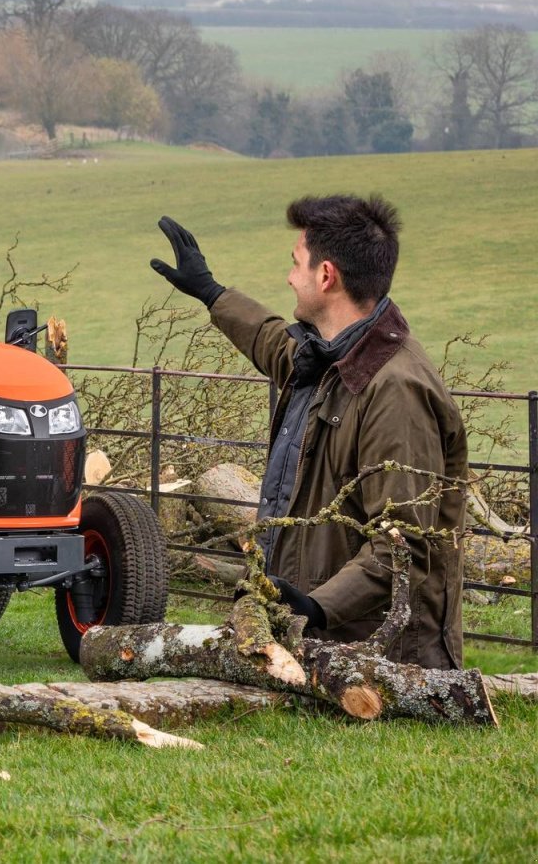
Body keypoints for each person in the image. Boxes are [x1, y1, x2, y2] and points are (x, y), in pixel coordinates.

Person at [150, 196, 467, 669]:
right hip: (319, 644)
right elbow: (272, 341)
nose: (290, 277)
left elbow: (404, 546)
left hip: (382, 660)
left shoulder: (395, 392)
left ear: (326, 276)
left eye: (296, 264)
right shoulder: (326, 358)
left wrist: (315, 607)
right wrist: (211, 292)